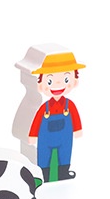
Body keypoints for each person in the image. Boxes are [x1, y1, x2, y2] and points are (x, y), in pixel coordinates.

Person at [27, 51, 85, 181]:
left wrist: (77, 130)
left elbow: (75, 117)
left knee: (65, 153)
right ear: (41, 84)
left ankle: (64, 172)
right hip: (45, 138)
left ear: (74, 81)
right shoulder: (44, 108)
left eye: (65, 79)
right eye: (50, 81)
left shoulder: (70, 105)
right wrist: (32, 135)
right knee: (44, 155)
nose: (58, 85)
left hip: (64, 137)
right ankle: (44, 175)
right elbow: (37, 121)